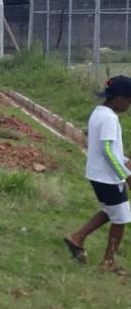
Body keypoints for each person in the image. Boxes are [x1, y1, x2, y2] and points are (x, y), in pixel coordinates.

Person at [64, 76, 131, 272]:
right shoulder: (110, 118)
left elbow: (108, 148)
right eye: (130, 100)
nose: (129, 105)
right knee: (121, 218)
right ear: (120, 98)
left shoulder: (98, 112)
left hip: (97, 174)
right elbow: (107, 151)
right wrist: (126, 175)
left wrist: (124, 158)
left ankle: (77, 237)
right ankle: (109, 261)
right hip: (108, 177)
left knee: (111, 211)